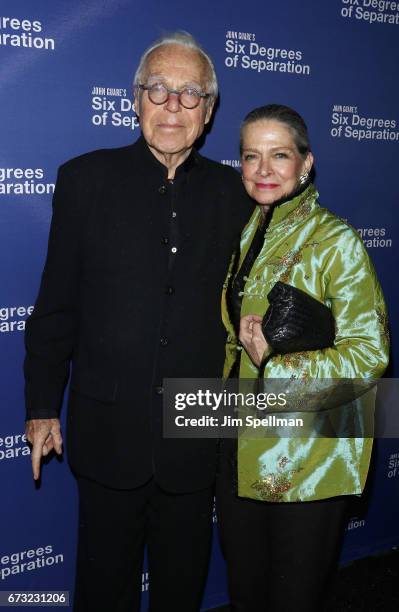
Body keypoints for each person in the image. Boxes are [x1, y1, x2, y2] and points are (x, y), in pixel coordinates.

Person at [24, 31, 252, 612]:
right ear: (135, 99)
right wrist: (43, 405)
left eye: (189, 93)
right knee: (104, 590)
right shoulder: (84, 179)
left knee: (182, 588)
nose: (173, 106)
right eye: (158, 89)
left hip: (198, 432)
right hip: (106, 430)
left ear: (209, 111)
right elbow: (56, 303)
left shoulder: (240, 194)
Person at [217, 104, 389, 611]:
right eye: (252, 156)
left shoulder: (336, 241)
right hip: (239, 441)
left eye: (280, 155)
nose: (264, 170)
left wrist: (277, 361)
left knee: (293, 597)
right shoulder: (250, 230)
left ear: (306, 163)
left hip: (308, 453)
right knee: (247, 591)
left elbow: (369, 353)